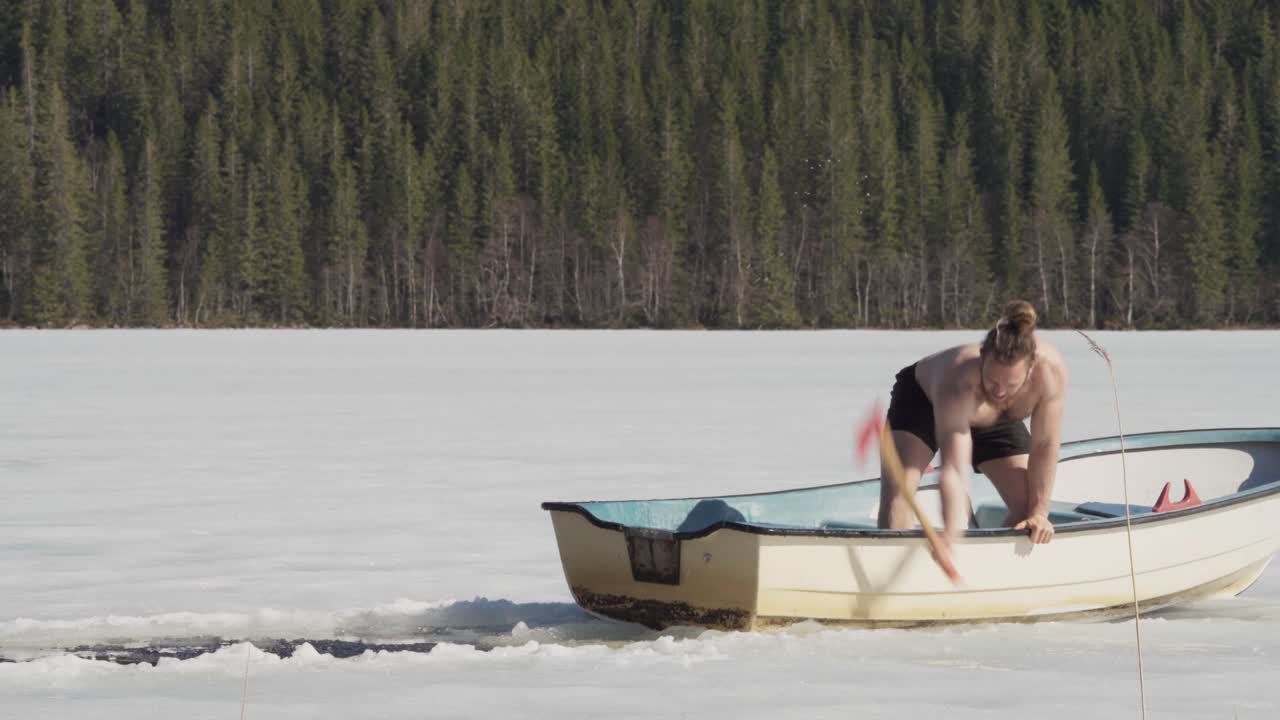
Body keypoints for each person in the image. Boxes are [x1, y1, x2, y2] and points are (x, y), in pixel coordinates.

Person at [877, 300, 1068, 571]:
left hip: (996, 418)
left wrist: (1039, 513)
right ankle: (893, 573)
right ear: (982, 357)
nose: (999, 391)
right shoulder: (958, 380)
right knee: (900, 496)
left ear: (1030, 370)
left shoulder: (1050, 373)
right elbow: (954, 469)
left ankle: (998, 572)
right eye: (992, 380)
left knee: (1027, 507)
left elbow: (1045, 444)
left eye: (1011, 384)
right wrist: (950, 534)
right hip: (923, 402)